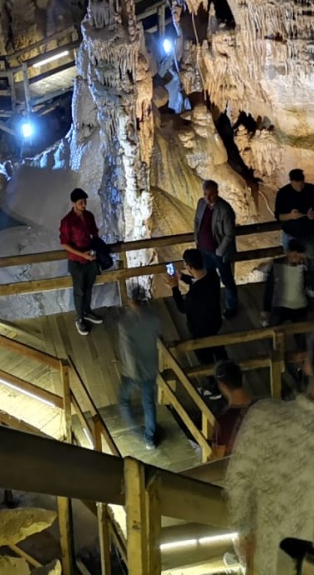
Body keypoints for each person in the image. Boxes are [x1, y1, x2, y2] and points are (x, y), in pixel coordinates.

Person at [225, 326, 314, 574]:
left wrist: (246, 551)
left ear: (308, 366)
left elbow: (236, 496)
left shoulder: (263, 416)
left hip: (271, 564)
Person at [167, 248, 226, 399]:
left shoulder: (194, 294)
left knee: (204, 358)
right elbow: (198, 280)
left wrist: (175, 288)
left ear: (189, 267)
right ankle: (227, 377)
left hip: (200, 329)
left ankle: (214, 388)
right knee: (218, 350)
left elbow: (182, 308)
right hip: (214, 322)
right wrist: (183, 278)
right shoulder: (212, 276)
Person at [117, 286, 162, 450]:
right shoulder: (153, 318)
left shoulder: (125, 323)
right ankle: (150, 439)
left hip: (132, 371)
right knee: (149, 403)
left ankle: (135, 431)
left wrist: (134, 374)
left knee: (124, 401)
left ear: (130, 300)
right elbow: (158, 337)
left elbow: (129, 352)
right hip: (151, 366)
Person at [274, 169, 314, 305]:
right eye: (296, 184)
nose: (299, 187)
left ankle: (313, 288)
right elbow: (279, 216)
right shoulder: (283, 193)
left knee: (311, 263)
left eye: (301, 184)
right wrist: (291, 216)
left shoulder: (311, 190)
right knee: (291, 265)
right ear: (291, 181)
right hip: (291, 236)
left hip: (308, 234)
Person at [60, 187, 104, 335]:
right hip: (76, 261)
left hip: (90, 258)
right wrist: (82, 255)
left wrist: (96, 246)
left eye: (84, 202)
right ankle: (79, 318)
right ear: (74, 203)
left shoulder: (89, 216)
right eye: (81, 203)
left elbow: (94, 232)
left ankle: (87, 311)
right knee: (79, 291)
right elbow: (65, 243)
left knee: (89, 287)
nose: (84, 205)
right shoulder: (67, 222)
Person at [193, 179, 238, 318]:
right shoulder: (201, 203)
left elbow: (229, 234)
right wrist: (197, 239)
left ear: (217, 193)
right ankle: (213, 306)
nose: (208, 197)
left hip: (218, 252)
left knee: (227, 279)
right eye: (205, 194)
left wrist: (219, 251)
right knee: (210, 280)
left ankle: (231, 307)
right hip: (204, 251)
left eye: (211, 194)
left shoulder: (224, 209)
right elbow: (197, 221)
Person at [210, 360, 253, 459]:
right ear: (243, 378)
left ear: (222, 386)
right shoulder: (262, 406)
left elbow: (217, 461)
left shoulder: (223, 422)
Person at [261, 240, 309, 328]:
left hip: (299, 306)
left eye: (299, 256)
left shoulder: (304, 266)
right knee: (273, 330)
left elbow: (307, 285)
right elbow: (270, 287)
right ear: (289, 254)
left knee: (301, 334)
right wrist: (266, 309)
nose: (297, 259)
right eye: (295, 255)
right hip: (280, 305)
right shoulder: (277, 265)